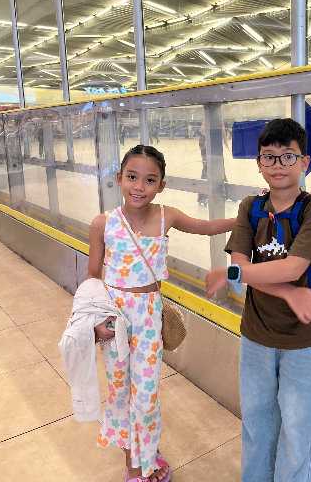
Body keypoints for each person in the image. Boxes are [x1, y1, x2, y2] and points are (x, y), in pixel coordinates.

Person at [87, 144, 236, 482]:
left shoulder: (168, 216)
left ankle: (145, 453)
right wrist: (95, 321)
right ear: (119, 178)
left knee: (146, 394)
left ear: (161, 185)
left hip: (149, 318)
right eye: (132, 177)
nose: (139, 186)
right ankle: (134, 463)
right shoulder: (103, 224)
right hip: (113, 319)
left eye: (150, 180)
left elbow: (208, 227)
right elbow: (93, 277)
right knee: (120, 391)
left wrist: (249, 215)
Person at [206, 118, 311, 482]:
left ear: (304, 162)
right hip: (256, 336)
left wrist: (234, 275)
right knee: (256, 422)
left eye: (288, 156)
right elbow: (242, 267)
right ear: (258, 163)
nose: (278, 165)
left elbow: (292, 267)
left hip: (304, 339)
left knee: (298, 429)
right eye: (269, 157)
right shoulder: (251, 207)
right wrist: (288, 292)